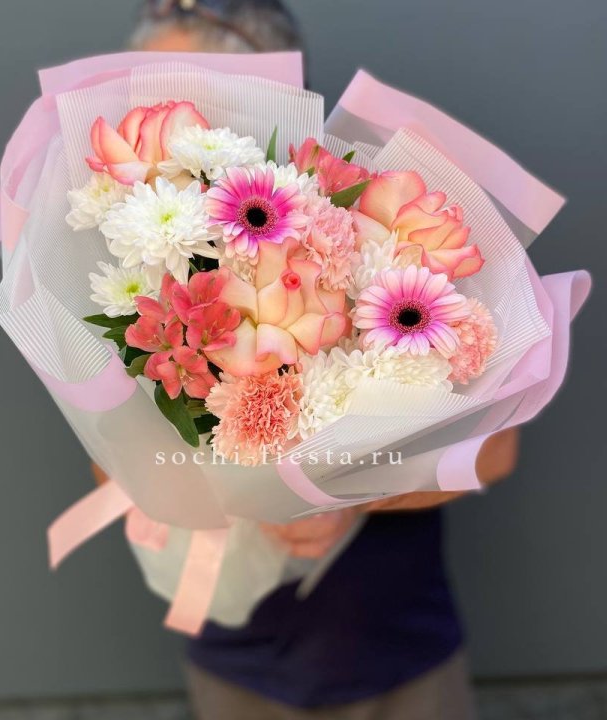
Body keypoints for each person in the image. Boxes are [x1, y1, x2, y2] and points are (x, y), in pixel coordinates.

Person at [95, 2, 521, 717]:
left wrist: (347, 494)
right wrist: (237, 494)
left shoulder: (372, 216)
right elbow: (110, 465)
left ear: (277, 90)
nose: (168, 126)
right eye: (149, 97)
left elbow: (497, 450)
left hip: (398, 650)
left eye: (191, 98)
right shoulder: (124, 264)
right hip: (236, 664)